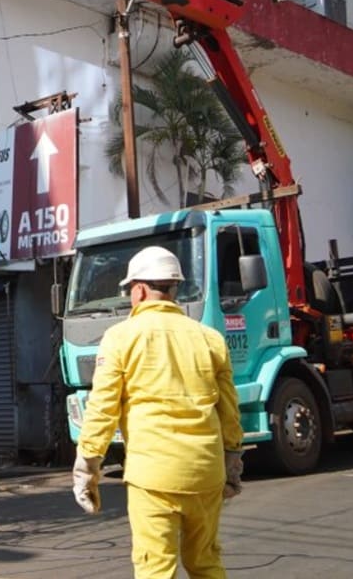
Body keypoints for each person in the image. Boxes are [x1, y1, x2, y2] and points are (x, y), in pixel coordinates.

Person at [72, 246, 243, 579]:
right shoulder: (209, 338)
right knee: (206, 562)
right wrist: (233, 461)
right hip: (206, 473)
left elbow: (103, 409)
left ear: (138, 290)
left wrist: (87, 469)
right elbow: (229, 409)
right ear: (174, 288)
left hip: (153, 477)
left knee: (156, 569)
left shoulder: (119, 338)